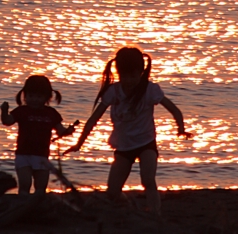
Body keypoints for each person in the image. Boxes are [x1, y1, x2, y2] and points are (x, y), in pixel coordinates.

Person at [65, 46, 191, 214]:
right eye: (124, 76)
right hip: (123, 146)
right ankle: (130, 208)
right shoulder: (114, 92)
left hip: (146, 143)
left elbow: (174, 109)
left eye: (133, 76)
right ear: (118, 73)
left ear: (141, 72)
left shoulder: (149, 90)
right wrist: (79, 143)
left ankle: (155, 214)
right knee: (113, 191)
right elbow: (93, 120)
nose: (129, 80)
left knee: (148, 180)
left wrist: (181, 129)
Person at [0, 74, 77, 195]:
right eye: (31, 96)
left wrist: (68, 131)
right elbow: (7, 121)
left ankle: (37, 207)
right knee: (24, 185)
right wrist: (4, 111)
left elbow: (60, 130)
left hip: (41, 156)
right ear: (25, 95)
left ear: (47, 97)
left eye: (39, 96)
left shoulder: (51, 113)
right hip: (23, 154)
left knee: (41, 188)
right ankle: (23, 205)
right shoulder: (22, 111)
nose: (35, 99)